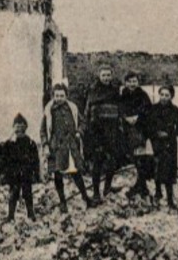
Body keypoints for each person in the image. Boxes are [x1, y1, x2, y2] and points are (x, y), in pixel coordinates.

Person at [41, 82, 91, 213]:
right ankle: (63, 202)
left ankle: (85, 197)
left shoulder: (72, 108)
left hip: (71, 146)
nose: (59, 98)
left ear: (66, 96)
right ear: (53, 96)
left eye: (62, 95)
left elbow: (82, 122)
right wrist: (45, 144)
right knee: (58, 175)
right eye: (57, 95)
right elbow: (43, 131)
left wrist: (79, 132)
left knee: (76, 173)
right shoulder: (49, 110)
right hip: (56, 147)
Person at [83, 66, 123, 205]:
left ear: (111, 76)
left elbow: (119, 110)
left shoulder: (114, 91)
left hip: (112, 132)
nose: (106, 78)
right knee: (98, 162)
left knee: (112, 161)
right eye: (104, 75)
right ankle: (95, 193)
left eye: (108, 75)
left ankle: (107, 188)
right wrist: (91, 134)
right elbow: (88, 114)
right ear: (99, 76)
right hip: (97, 132)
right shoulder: (93, 91)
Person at [145, 85, 178, 210]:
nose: (164, 97)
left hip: (170, 144)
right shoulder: (153, 109)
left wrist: (168, 134)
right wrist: (156, 134)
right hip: (157, 143)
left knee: (169, 171)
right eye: (162, 94)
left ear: (171, 96)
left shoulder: (175, 110)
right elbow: (148, 126)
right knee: (157, 168)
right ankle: (157, 192)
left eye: (167, 95)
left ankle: (170, 199)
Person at [119, 72, 153, 199]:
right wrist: (125, 118)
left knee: (140, 158)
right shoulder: (123, 95)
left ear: (138, 82)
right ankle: (141, 186)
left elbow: (148, 110)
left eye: (134, 81)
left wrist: (138, 117)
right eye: (129, 81)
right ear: (126, 83)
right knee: (134, 157)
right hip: (128, 130)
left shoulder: (143, 95)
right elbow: (120, 109)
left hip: (140, 130)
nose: (132, 84)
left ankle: (141, 186)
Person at [3, 114, 40, 222]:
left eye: (21, 126)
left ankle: (31, 214)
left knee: (27, 194)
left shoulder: (30, 142)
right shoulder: (9, 143)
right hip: (14, 174)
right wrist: (6, 174)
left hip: (26, 173)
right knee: (13, 194)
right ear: (13, 127)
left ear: (25, 128)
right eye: (17, 126)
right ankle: (10, 216)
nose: (19, 128)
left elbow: (35, 160)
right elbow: (4, 159)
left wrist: (36, 174)